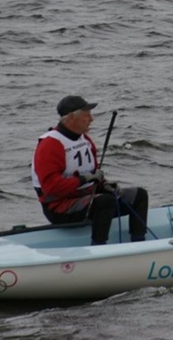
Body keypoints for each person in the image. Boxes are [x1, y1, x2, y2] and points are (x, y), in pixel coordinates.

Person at [31, 95, 150, 245]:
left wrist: (104, 184)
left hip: (87, 199)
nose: (91, 119)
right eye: (87, 115)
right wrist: (83, 179)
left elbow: (93, 174)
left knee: (139, 195)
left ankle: (139, 244)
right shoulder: (51, 145)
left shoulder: (85, 140)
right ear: (71, 118)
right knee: (104, 202)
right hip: (59, 208)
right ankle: (99, 248)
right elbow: (51, 188)